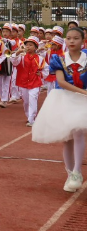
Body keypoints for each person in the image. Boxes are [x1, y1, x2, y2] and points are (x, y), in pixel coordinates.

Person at [32, 27, 87, 193]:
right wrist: (84, 92)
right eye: (69, 38)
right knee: (67, 138)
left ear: (83, 41)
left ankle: (77, 171)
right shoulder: (59, 59)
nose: (71, 41)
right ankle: (70, 173)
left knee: (78, 131)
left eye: (76, 38)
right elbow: (61, 82)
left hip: (82, 102)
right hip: (65, 99)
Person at [11, 37, 48, 127]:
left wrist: (41, 74)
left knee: (33, 99)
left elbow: (46, 69)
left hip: (35, 83)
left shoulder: (39, 58)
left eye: (31, 45)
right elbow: (14, 62)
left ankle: (31, 119)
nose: (28, 47)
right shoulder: (22, 57)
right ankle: (29, 116)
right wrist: (18, 52)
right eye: (27, 45)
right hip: (23, 82)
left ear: (35, 47)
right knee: (26, 102)